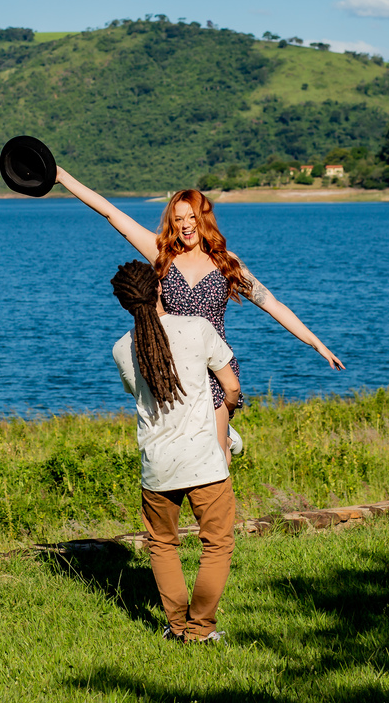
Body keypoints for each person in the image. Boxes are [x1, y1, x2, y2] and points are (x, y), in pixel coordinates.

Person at [57, 168, 344, 463]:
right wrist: (63, 177)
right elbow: (110, 212)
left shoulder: (226, 263)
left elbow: (272, 303)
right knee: (180, 455)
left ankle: (224, 437)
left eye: (192, 217)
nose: (186, 225)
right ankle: (224, 436)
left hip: (215, 366)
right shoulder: (162, 254)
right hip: (174, 364)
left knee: (217, 459)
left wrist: (316, 344)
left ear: (204, 218)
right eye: (178, 219)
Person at [110, 259, 241, 643]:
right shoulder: (197, 328)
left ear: (124, 303)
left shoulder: (121, 348)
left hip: (157, 466)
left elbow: (139, 394)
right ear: (160, 288)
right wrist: (228, 412)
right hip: (204, 461)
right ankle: (200, 629)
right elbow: (231, 386)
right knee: (217, 543)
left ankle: (177, 627)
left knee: (162, 546)